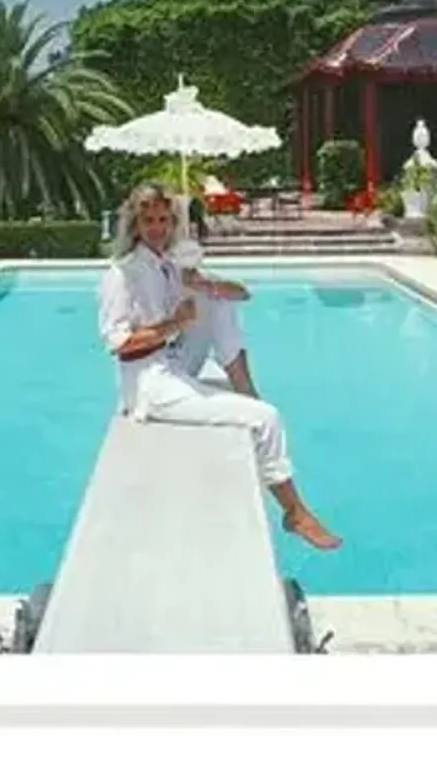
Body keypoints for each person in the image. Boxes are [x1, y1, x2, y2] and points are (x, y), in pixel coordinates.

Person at [97, 181, 342, 550]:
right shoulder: (123, 274)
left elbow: (243, 294)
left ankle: (245, 389)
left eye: (164, 220)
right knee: (267, 418)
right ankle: (295, 512)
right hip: (149, 384)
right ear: (135, 224)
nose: (158, 228)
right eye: (149, 221)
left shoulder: (170, 265)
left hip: (175, 360)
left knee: (218, 303)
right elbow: (118, 344)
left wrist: (204, 283)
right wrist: (173, 325)